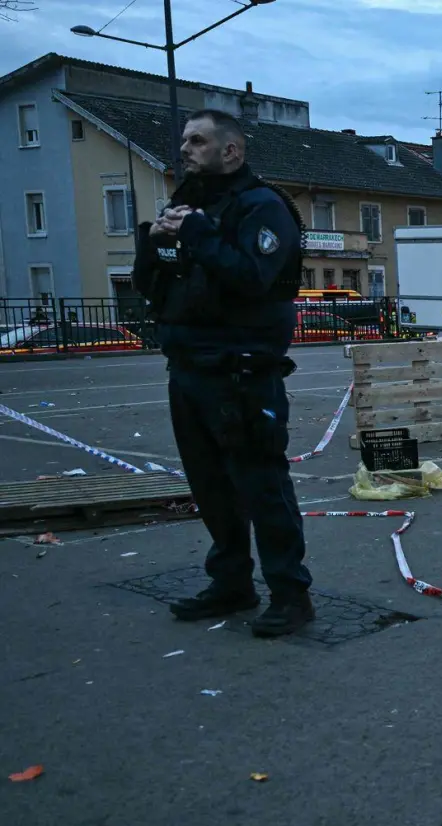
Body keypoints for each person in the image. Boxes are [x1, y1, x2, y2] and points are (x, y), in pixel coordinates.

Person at [133, 108, 317, 638]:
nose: (185, 149)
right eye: (184, 141)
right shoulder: (188, 205)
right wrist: (160, 240)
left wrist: (197, 233)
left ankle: (290, 593)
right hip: (188, 367)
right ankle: (232, 581)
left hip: (242, 371)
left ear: (230, 151)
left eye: (197, 140)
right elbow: (150, 283)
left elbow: (251, 277)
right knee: (210, 486)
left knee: (262, 484)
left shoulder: (264, 207)